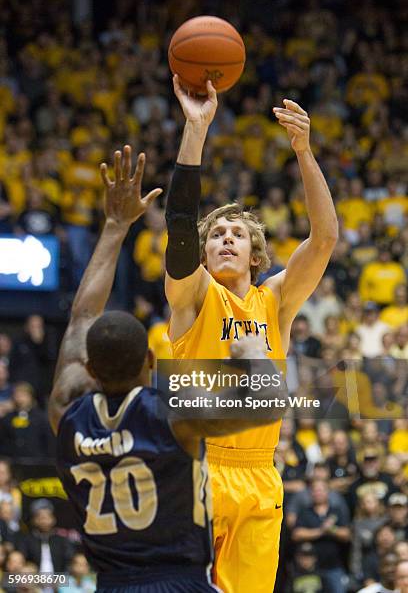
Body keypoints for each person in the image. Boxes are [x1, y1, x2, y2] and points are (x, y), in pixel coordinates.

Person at [48, 145, 288, 592]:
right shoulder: (173, 420)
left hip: (113, 580)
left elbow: (81, 317)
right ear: (151, 364)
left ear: (89, 369)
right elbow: (269, 403)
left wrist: (115, 226)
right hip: (176, 580)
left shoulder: (67, 409)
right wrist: (255, 353)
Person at [164, 74, 338, 593]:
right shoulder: (192, 294)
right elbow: (178, 223)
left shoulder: (276, 301)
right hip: (198, 468)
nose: (225, 239)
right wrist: (196, 130)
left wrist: (304, 151)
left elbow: (325, 238)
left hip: (261, 474)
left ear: (255, 254)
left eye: (236, 234)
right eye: (216, 234)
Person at [292, 479, 350, 593]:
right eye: (315, 490)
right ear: (311, 493)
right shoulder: (305, 512)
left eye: (321, 490)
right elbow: (296, 534)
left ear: (327, 492)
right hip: (310, 570)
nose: (318, 493)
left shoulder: (336, 510)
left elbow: (346, 534)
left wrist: (332, 529)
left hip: (333, 567)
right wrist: (320, 531)